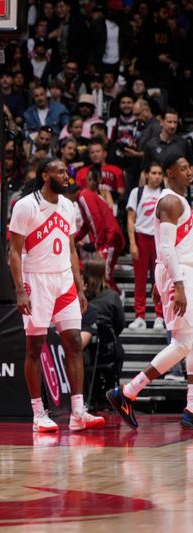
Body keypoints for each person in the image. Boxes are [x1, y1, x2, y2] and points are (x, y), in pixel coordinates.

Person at [9, 158, 106, 432]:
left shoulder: (68, 205)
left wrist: (79, 285)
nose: (67, 175)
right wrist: (19, 289)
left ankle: (77, 412)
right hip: (35, 281)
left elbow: (71, 248)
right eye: (61, 171)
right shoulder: (26, 206)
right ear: (44, 175)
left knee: (74, 341)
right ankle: (38, 414)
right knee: (35, 347)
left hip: (63, 280)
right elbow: (14, 252)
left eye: (67, 171)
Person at [108, 154, 193, 430]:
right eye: (183, 168)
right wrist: (176, 284)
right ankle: (128, 392)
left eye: (189, 167)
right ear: (169, 173)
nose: (189, 171)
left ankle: (191, 408)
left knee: (190, 342)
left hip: (176, 271)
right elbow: (166, 248)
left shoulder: (179, 201)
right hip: (180, 273)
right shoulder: (169, 201)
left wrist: (160, 282)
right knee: (183, 344)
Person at [126, 162, 164, 330]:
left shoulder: (165, 193)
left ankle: (160, 316)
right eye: (154, 173)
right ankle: (139, 315)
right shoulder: (137, 192)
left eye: (159, 173)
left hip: (159, 239)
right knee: (140, 280)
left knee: (159, 280)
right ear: (147, 174)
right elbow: (130, 219)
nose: (157, 176)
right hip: (141, 238)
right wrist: (133, 243)